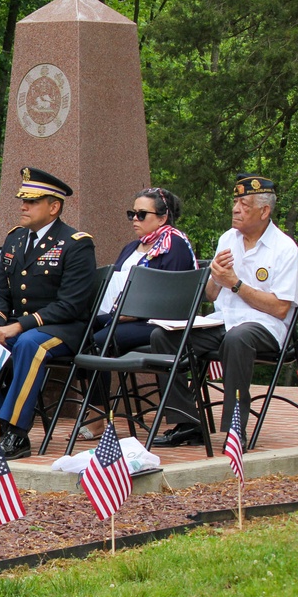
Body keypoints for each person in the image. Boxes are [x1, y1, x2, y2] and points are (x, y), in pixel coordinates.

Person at [150, 174, 298, 447]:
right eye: (235, 202)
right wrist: (215, 276)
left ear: (264, 210)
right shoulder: (227, 239)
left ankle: (235, 430)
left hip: (264, 327)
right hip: (222, 321)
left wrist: (235, 284)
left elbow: (280, 308)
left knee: (238, 338)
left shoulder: (284, 249)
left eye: (244, 204)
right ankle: (187, 421)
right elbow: (211, 295)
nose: (235, 209)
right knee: (163, 336)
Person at [0, 167, 97, 460]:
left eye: (32, 201)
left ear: (54, 206)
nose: (23, 206)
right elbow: (1, 292)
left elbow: (71, 304)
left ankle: (17, 433)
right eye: (23, 199)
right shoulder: (15, 239)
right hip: (22, 326)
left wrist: (18, 326)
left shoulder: (76, 244)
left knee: (28, 344)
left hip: (66, 328)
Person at [78, 187, 197, 440]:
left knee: (98, 340)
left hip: (158, 324)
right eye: (132, 213)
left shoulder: (173, 245)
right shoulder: (132, 247)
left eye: (142, 214)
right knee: (80, 330)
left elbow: (173, 299)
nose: (134, 218)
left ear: (162, 218)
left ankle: (99, 415)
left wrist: (132, 313)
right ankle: (96, 408)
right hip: (122, 316)